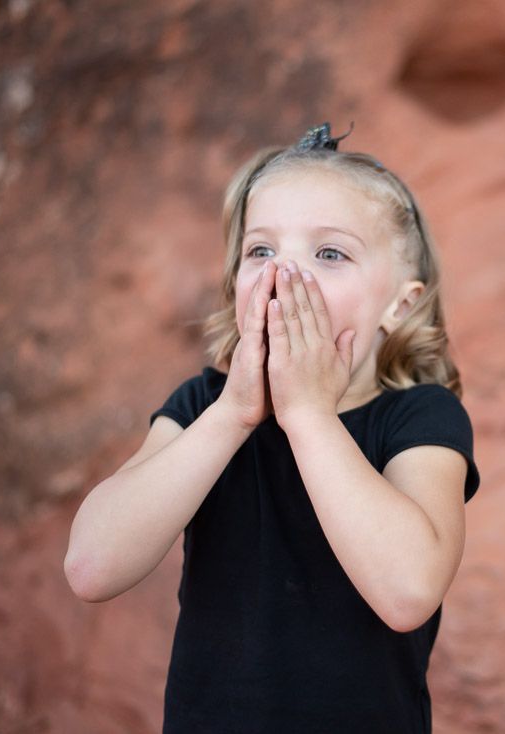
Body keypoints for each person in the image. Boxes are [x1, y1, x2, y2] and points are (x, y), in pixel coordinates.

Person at [63, 122, 481, 733]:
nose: (284, 276)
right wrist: (233, 413)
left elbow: (408, 592)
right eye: (261, 251)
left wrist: (309, 414)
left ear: (401, 304)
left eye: (329, 253)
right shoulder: (205, 406)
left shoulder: (421, 417)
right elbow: (92, 568)